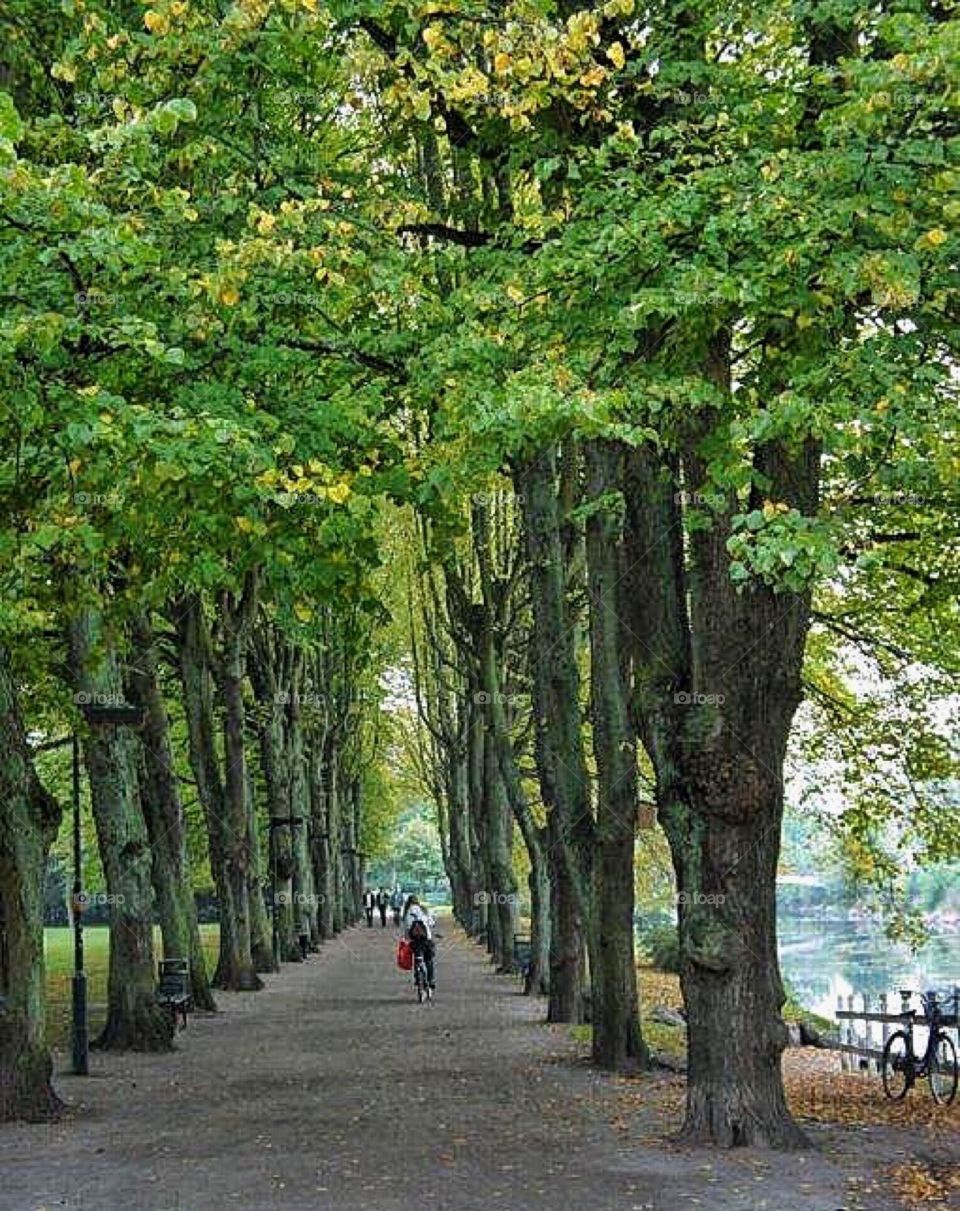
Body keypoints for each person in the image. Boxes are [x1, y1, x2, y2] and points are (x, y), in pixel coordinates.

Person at [402, 895, 436, 990]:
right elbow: (431, 923)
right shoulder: (423, 910)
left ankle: (418, 979)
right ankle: (431, 979)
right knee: (429, 960)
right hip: (426, 939)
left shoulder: (408, 912)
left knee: (417, 959)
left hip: (415, 941)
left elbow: (407, 927)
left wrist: (406, 939)